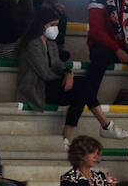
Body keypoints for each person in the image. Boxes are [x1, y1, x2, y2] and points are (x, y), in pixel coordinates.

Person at [63, 0, 128, 143]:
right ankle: (90, 112)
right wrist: (117, 50)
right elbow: (97, 31)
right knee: (98, 60)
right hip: (105, 46)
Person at [20, 10, 116, 142]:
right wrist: (66, 79)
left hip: (53, 87)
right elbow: (44, 72)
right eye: (52, 24)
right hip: (39, 89)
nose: (55, 28)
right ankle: (105, 126)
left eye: (57, 25)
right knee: (82, 85)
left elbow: (59, 66)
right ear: (42, 25)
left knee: (81, 90)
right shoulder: (32, 44)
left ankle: (67, 139)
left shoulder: (51, 44)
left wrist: (68, 74)